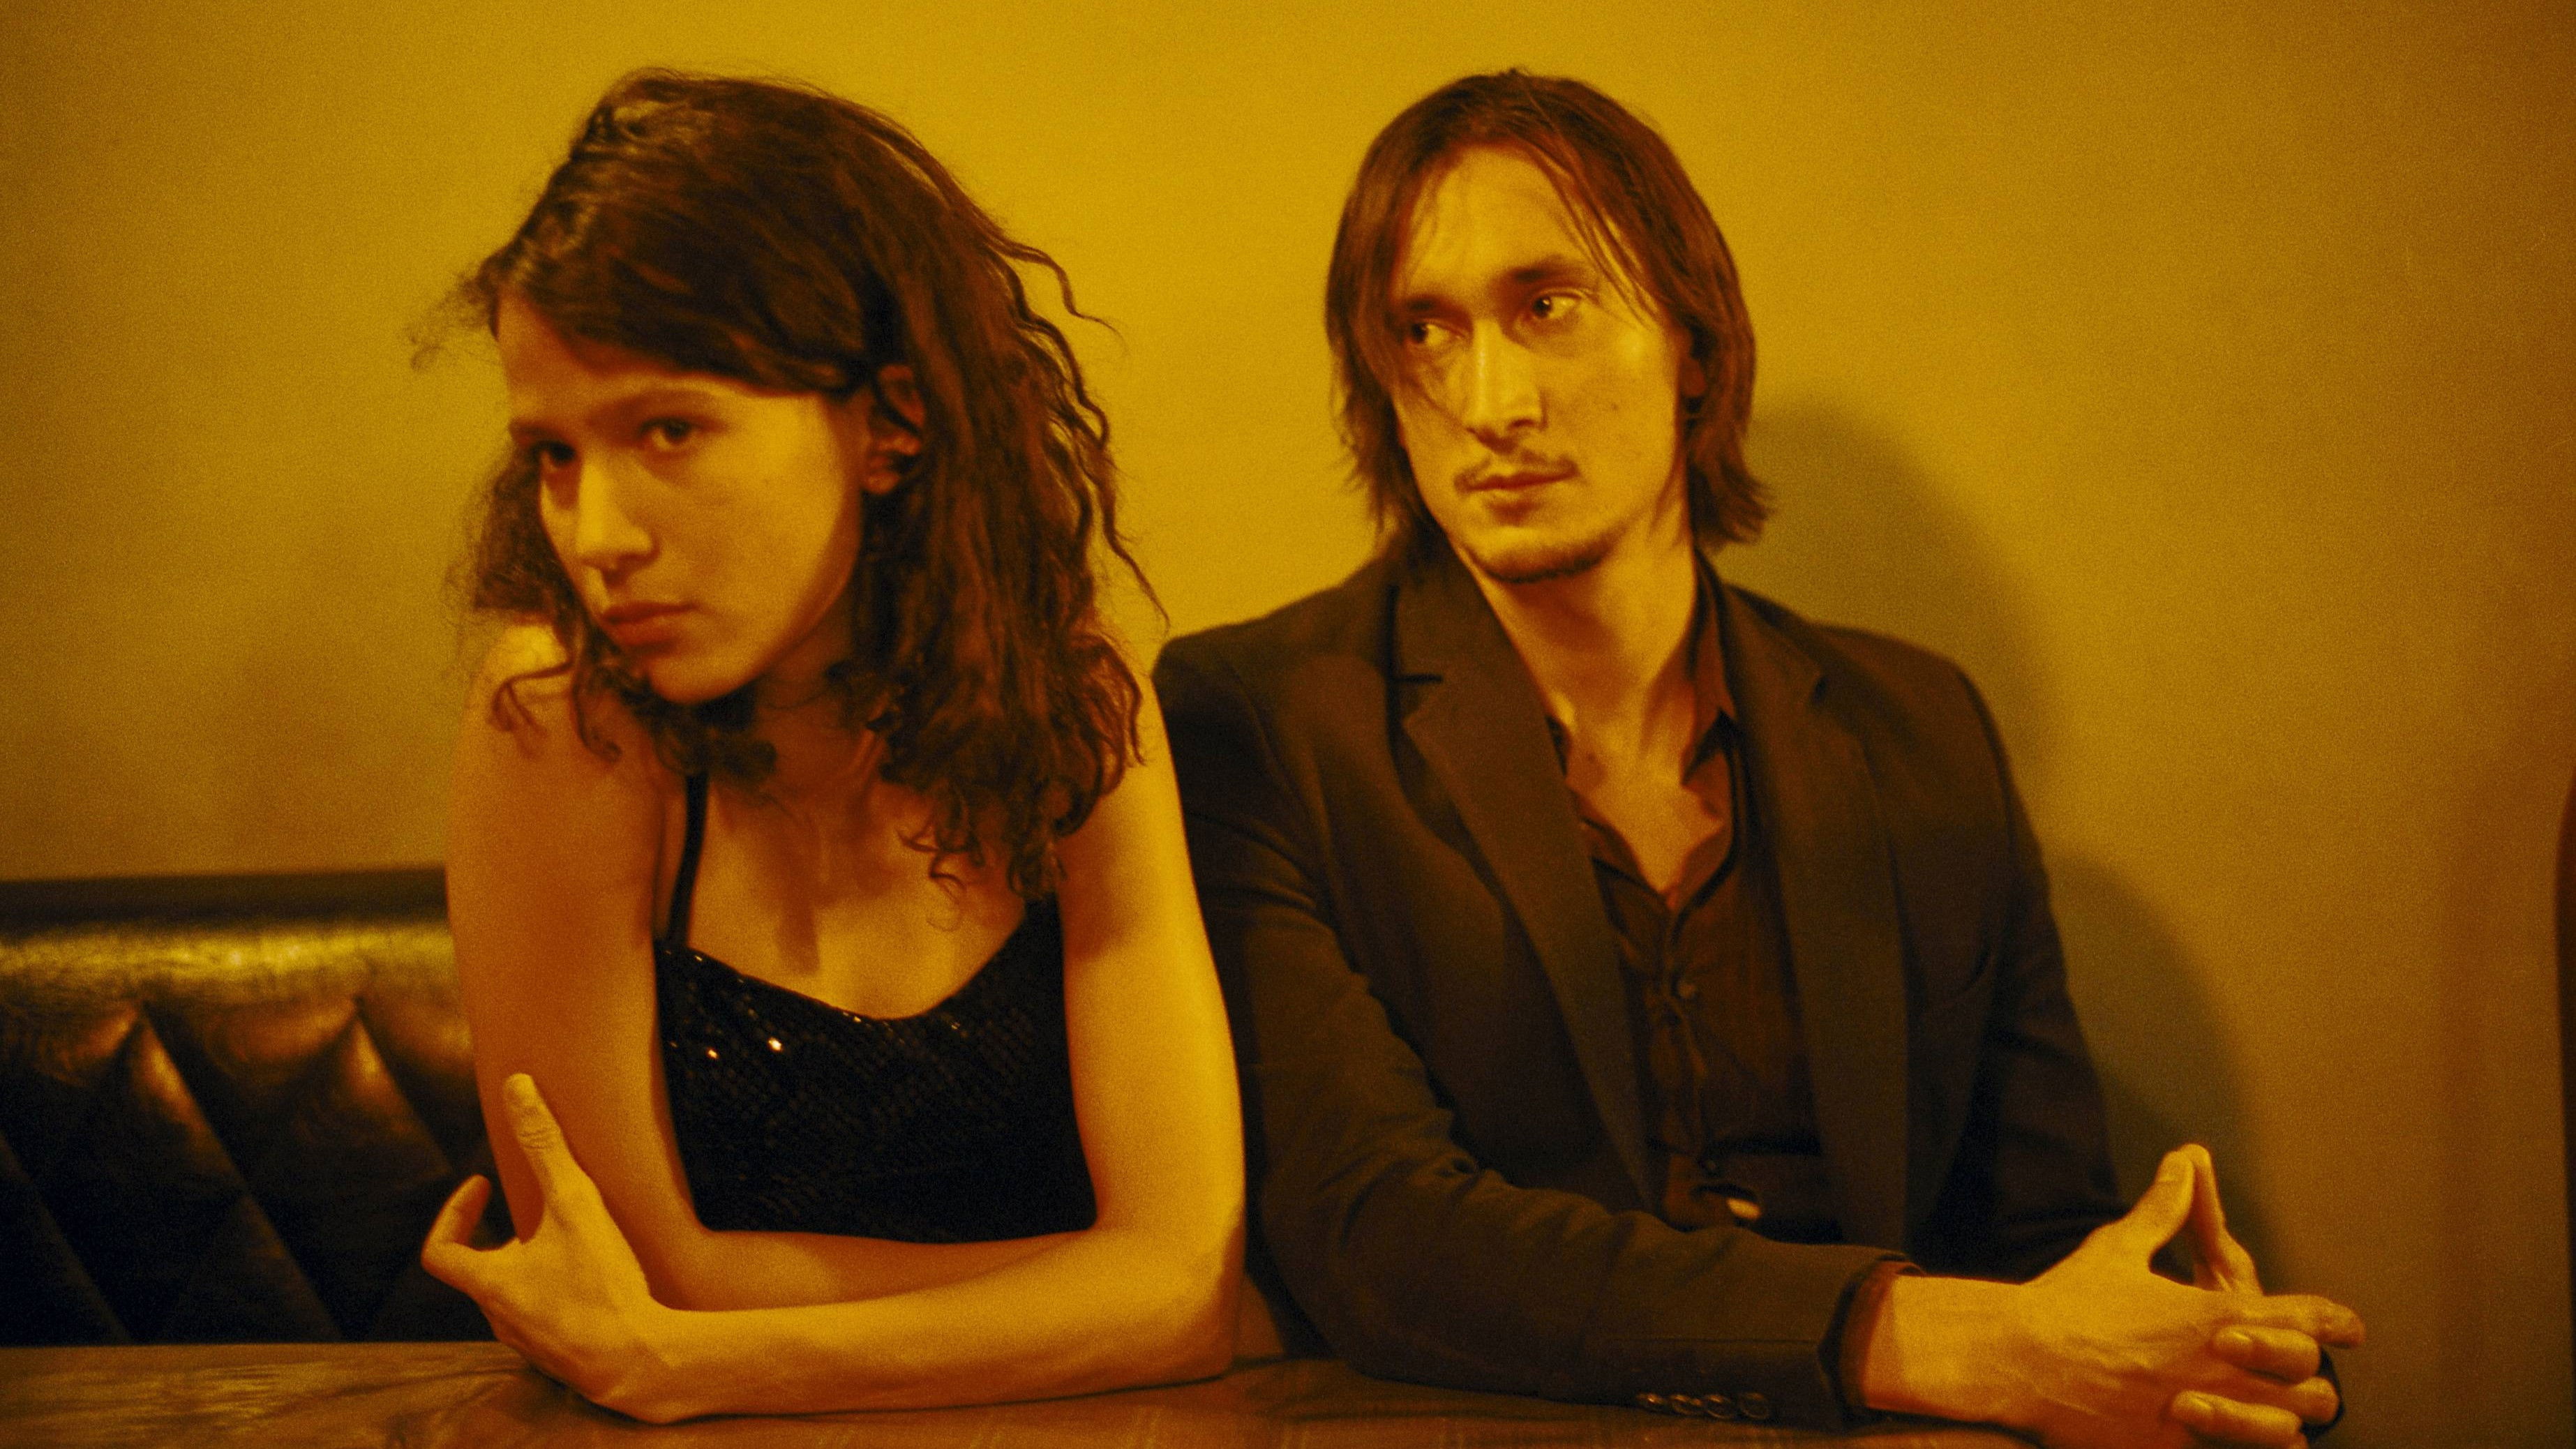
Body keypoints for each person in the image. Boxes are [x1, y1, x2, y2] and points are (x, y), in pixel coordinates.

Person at [1155, 71, 2361, 1446]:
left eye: (1546, 307)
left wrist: (2195, 1357)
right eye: (1421, 330)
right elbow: (1378, 1235)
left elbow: (2036, 1230)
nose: (1488, 401)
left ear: (1693, 343)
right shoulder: (1261, 718)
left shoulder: (1917, 729)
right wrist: (1914, 1335)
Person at [418, 71, 1242, 1422]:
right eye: (555, 456)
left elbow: (1180, 1286)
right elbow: (640, 1276)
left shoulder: (1070, 698)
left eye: (669, 430)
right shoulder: (561, 717)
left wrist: (702, 1358)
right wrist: (1098, 1295)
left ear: (891, 422)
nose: (598, 533)